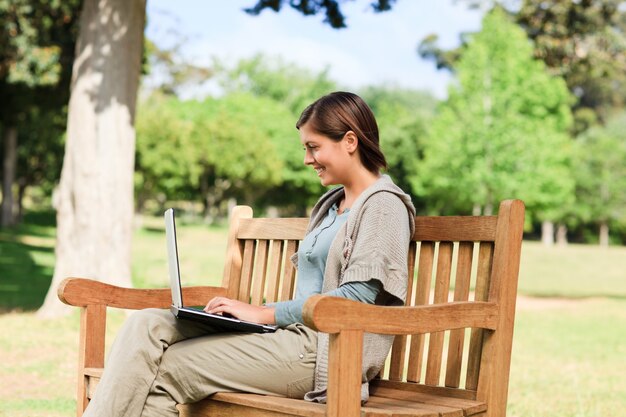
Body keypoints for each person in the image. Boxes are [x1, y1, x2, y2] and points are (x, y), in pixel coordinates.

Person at [83, 91, 416, 417]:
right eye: (305, 149)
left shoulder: (384, 206)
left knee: (169, 368)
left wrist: (263, 313)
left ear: (350, 141)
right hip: (287, 336)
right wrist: (253, 316)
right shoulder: (332, 206)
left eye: (314, 147)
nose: (306, 160)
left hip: (324, 353)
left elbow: (356, 298)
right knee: (146, 324)